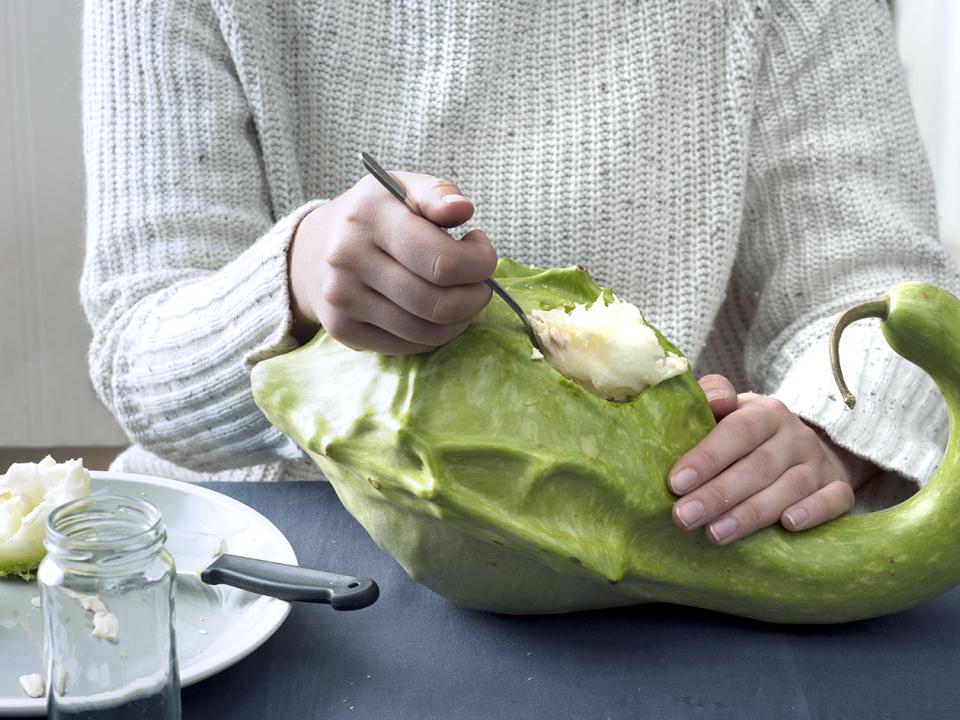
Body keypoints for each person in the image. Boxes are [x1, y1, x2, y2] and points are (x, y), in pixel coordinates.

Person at [81, 0, 958, 547]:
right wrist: (297, 283)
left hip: (663, 559)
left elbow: (884, 288)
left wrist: (829, 426)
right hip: (268, 560)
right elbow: (138, 347)